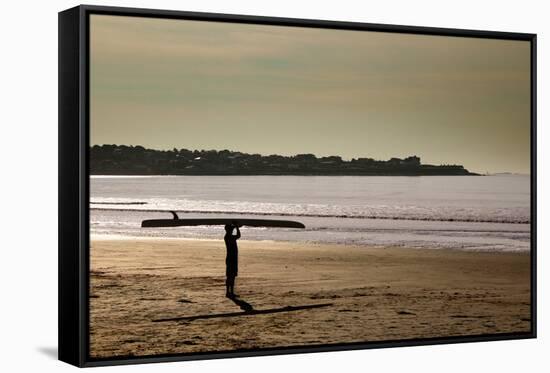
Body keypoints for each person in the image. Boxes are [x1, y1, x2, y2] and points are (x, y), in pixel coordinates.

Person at [224, 223, 240, 298]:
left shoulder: (228, 236)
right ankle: (228, 292)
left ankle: (230, 292)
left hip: (232, 258)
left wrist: (235, 227)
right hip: (231, 258)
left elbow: (237, 236)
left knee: (231, 276)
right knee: (230, 276)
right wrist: (237, 227)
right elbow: (238, 236)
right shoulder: (228, 237)